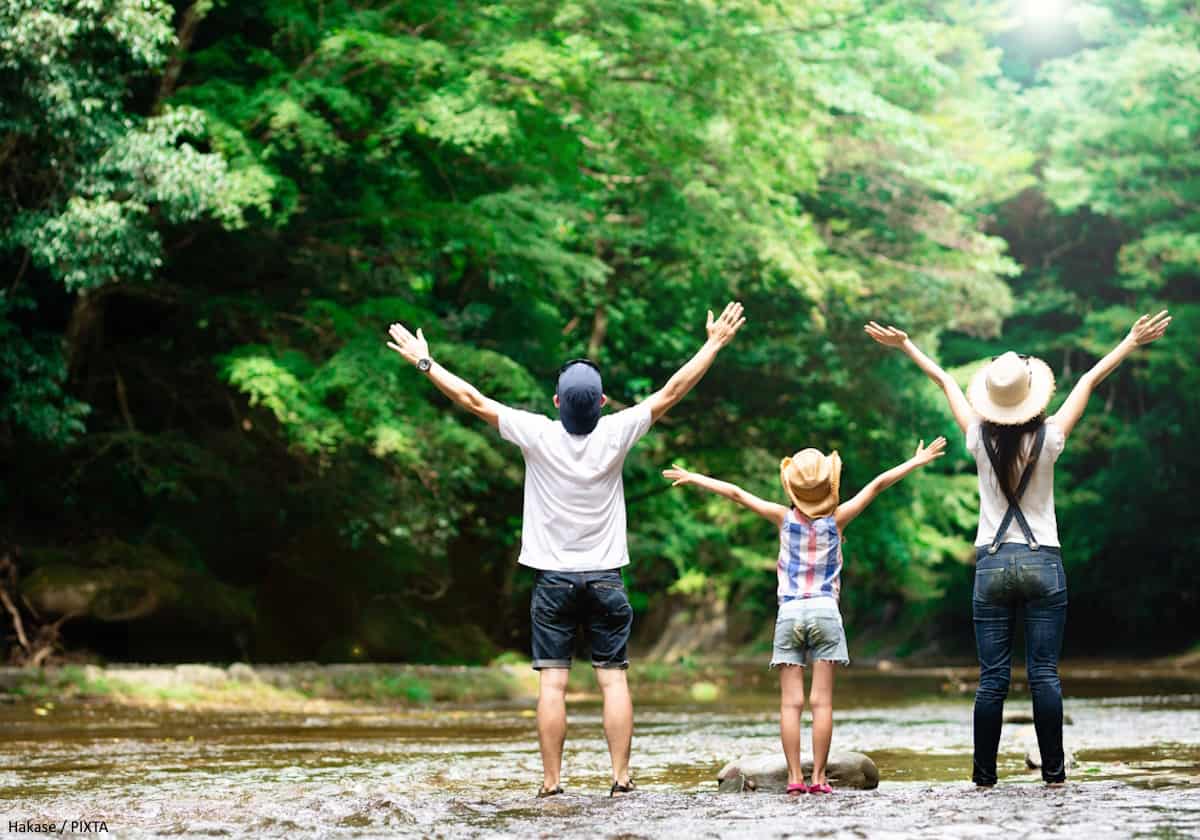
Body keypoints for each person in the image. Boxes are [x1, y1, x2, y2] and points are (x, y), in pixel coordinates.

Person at [386, 302, 746, 798]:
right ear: (600, 404)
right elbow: (673, 391)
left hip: (552, 581)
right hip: (605, 579)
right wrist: (714, 343)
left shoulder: (535, 433)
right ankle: (621, 780)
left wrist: (426, 362)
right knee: (613, 682)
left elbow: (472, 400)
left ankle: (552, 785)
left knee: (552, 687)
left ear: (556, 402)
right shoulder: (618, 432)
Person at [864, 311, 1171, 787]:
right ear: (1031, 397)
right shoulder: (1049, 439)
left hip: (991, 563)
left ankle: (983, 778)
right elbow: (1089, 378)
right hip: (1043, 560)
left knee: (992, 682)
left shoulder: (976, 439)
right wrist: (1130, 341)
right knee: (1045, 674)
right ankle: (1054, 775)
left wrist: (907, 346)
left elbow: (944, 378)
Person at [661, 436, 946, 794]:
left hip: (790, 612)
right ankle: (820, 779)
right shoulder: (838, 519)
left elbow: (736, 493)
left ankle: (794, 778)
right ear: (829, 487)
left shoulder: (782, 518)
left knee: (790, 703)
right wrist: (915, 461)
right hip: (826, 611)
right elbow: (877, 486)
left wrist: (696, 477)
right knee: (821, 701)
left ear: (793, 489)